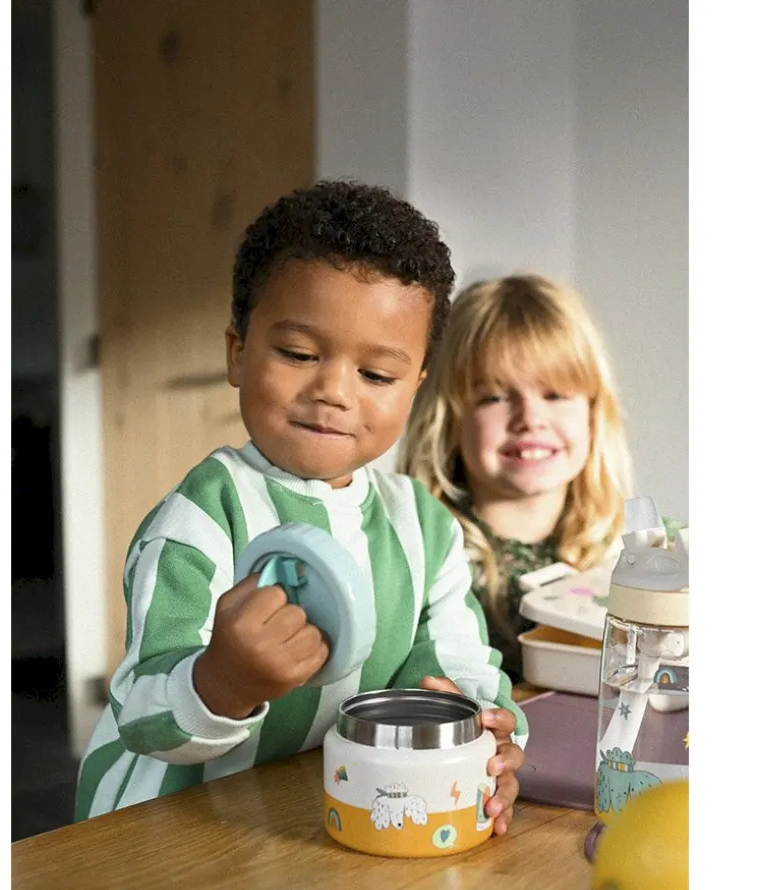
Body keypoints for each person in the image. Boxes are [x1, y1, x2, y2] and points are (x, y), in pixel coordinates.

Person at [76, 181, 528, 835]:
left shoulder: (425, 529)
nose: (333, 391)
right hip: (161, 833)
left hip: (299, 824)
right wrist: (222, 682)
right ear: (238, 353)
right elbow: (141, 713)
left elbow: (455, 664)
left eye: (377, 375)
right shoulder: (203, 516)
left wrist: (483, 729)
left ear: (415, 387)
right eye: (298, 354)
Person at [397, 275, 634, 682]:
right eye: (495, 397)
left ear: (594, 412)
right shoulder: (417, 562)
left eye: (555, 395)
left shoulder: (641, 555)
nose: (530, 419)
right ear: (449, 419)